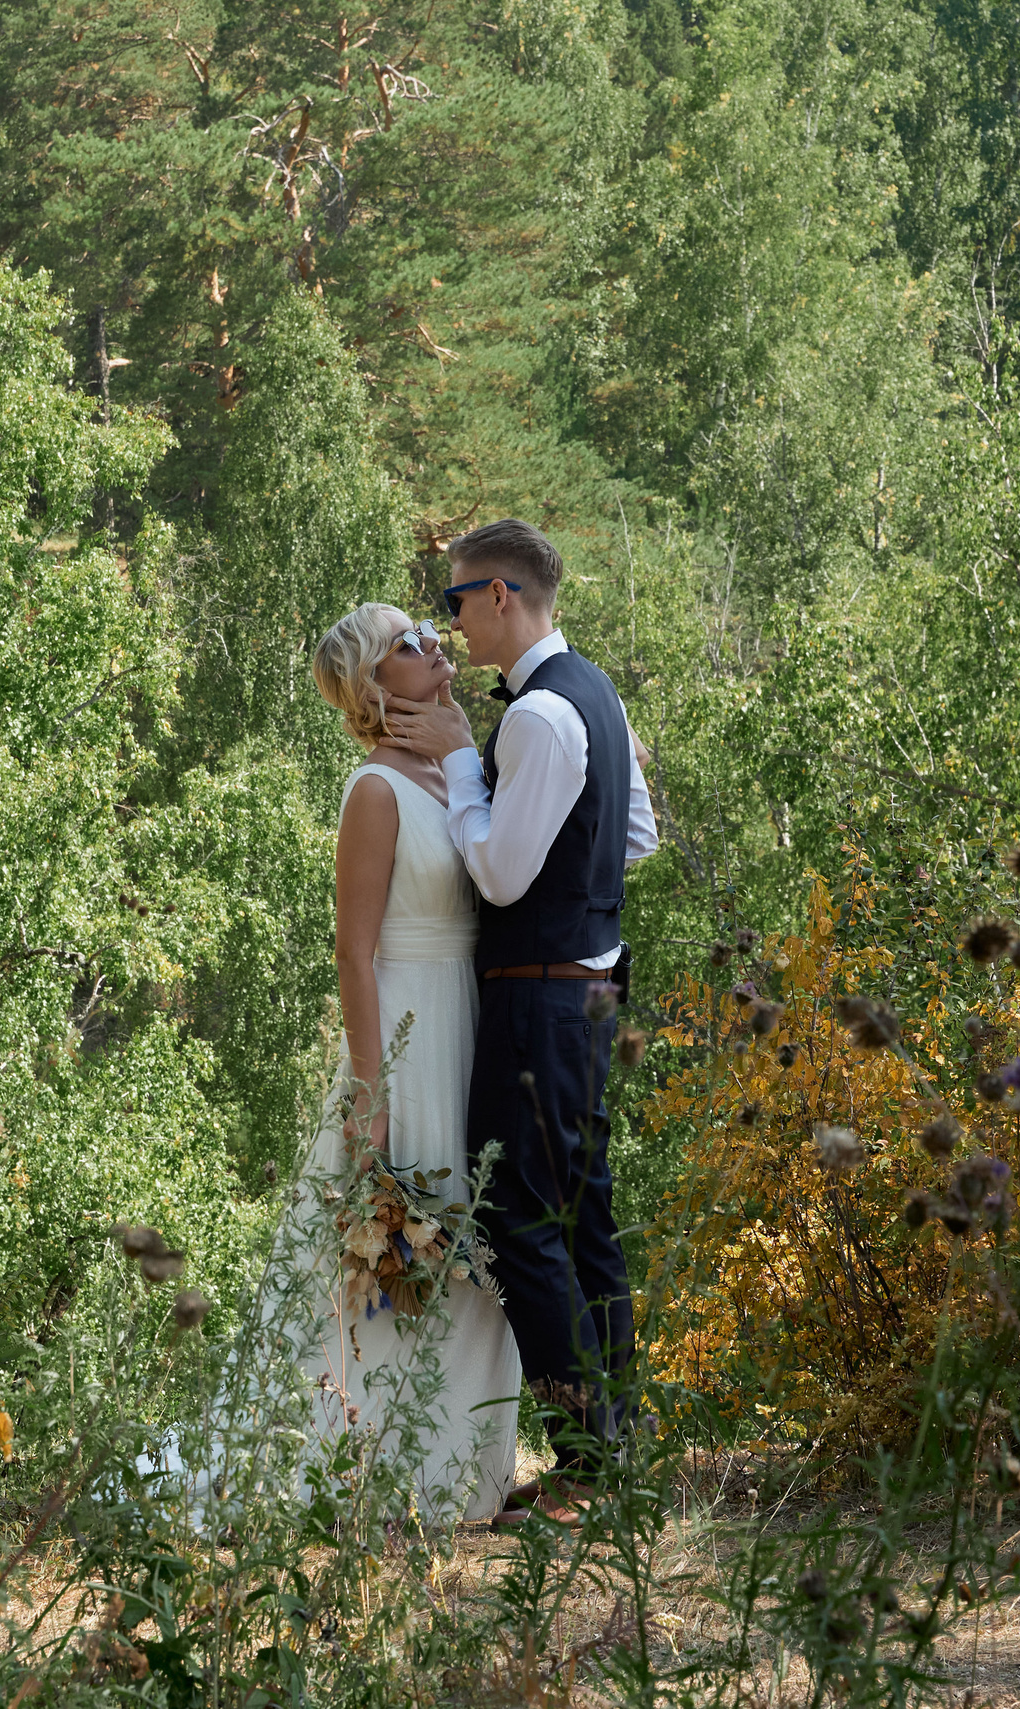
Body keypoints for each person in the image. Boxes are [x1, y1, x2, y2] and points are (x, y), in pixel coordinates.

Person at [384, 518, 657, 1526]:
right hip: (587, 981)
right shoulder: (599, 693)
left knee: (518, 1216)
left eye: (455, 602)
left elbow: (497, 870)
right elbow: (636, 834)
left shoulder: (536, 718)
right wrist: (576, 888)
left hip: (539, 992)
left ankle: (586, 1459)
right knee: (584, 1218)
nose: (451, 624)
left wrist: (464, 766)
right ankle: (617, 1449)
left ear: (501, 594)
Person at [271, 600, 526, 1522]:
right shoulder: (373, 790)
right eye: (409, 642)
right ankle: (372, 1469)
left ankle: (466, 1470)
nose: (434, 642)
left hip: (474, 1022)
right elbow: (354, 949)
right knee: (407, 1257)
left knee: (481, 1246)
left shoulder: (454, 774)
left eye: (427, 627)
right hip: (411, 1034)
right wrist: (371, 1093)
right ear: (377, 688)